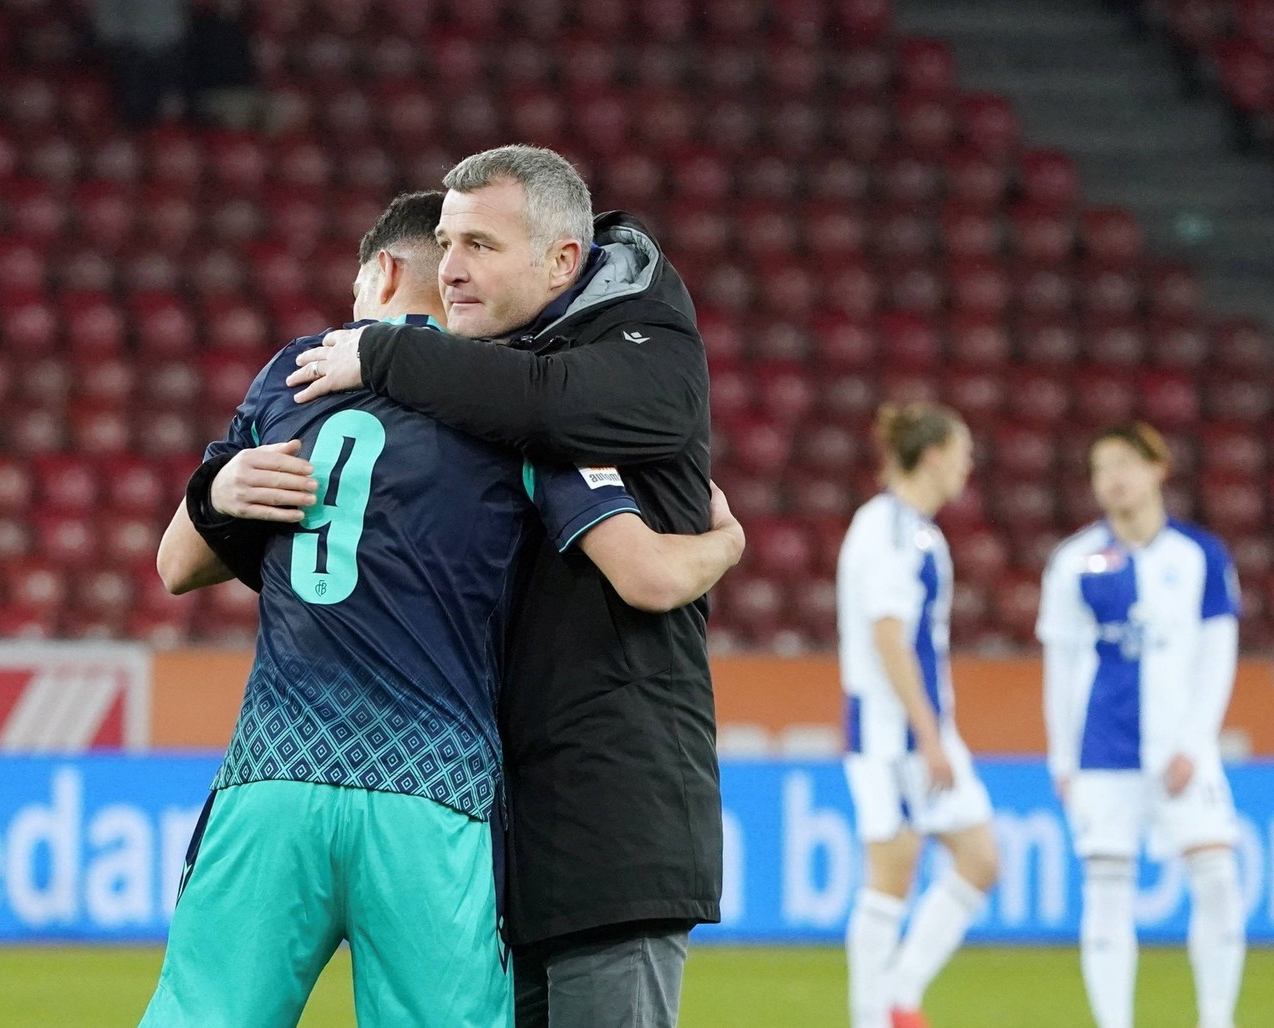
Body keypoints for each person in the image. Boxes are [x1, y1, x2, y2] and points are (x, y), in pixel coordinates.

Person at [142, 191, 744, 1027]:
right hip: (429, 787)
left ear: (382, 274)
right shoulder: (512, 408)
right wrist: (725, 544)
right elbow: (643, 574)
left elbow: (175, 564)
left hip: (274, 771)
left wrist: (217, 488)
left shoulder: (297, 372)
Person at [288, 145, 720, 1028]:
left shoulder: (642, 352)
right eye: (445, 243)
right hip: (495, 824)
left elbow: (550, 405)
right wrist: (218, 493)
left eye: (480, 245)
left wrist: (383, 355)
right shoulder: (496, 385)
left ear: (562, 261)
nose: (450, 270)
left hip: (609, 820)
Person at [1038, 422, 1244, 1028]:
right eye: (1101, 469)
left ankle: (1216, 1018)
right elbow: (1061, 665)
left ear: (1159, 468)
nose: (1113, 479)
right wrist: (1061, 759)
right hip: (1103, 751)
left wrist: (1195, 744)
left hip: (1183, 752)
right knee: (1105, 889)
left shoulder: (1201, 555)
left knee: (1218, 880)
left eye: (1125, 463)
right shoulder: (1074, 561)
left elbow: (1217, 656)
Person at [836, 403, 999, 1028]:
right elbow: (888, 636)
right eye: (962, 451)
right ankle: (872, 1017)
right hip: (891, 730)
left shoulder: (918, 530)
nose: (969, 464)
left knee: (981, 859)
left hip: (924, 730)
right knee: (892, 871)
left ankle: (900, 993)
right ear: (933, 455)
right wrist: (929, 735)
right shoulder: (888, 530)